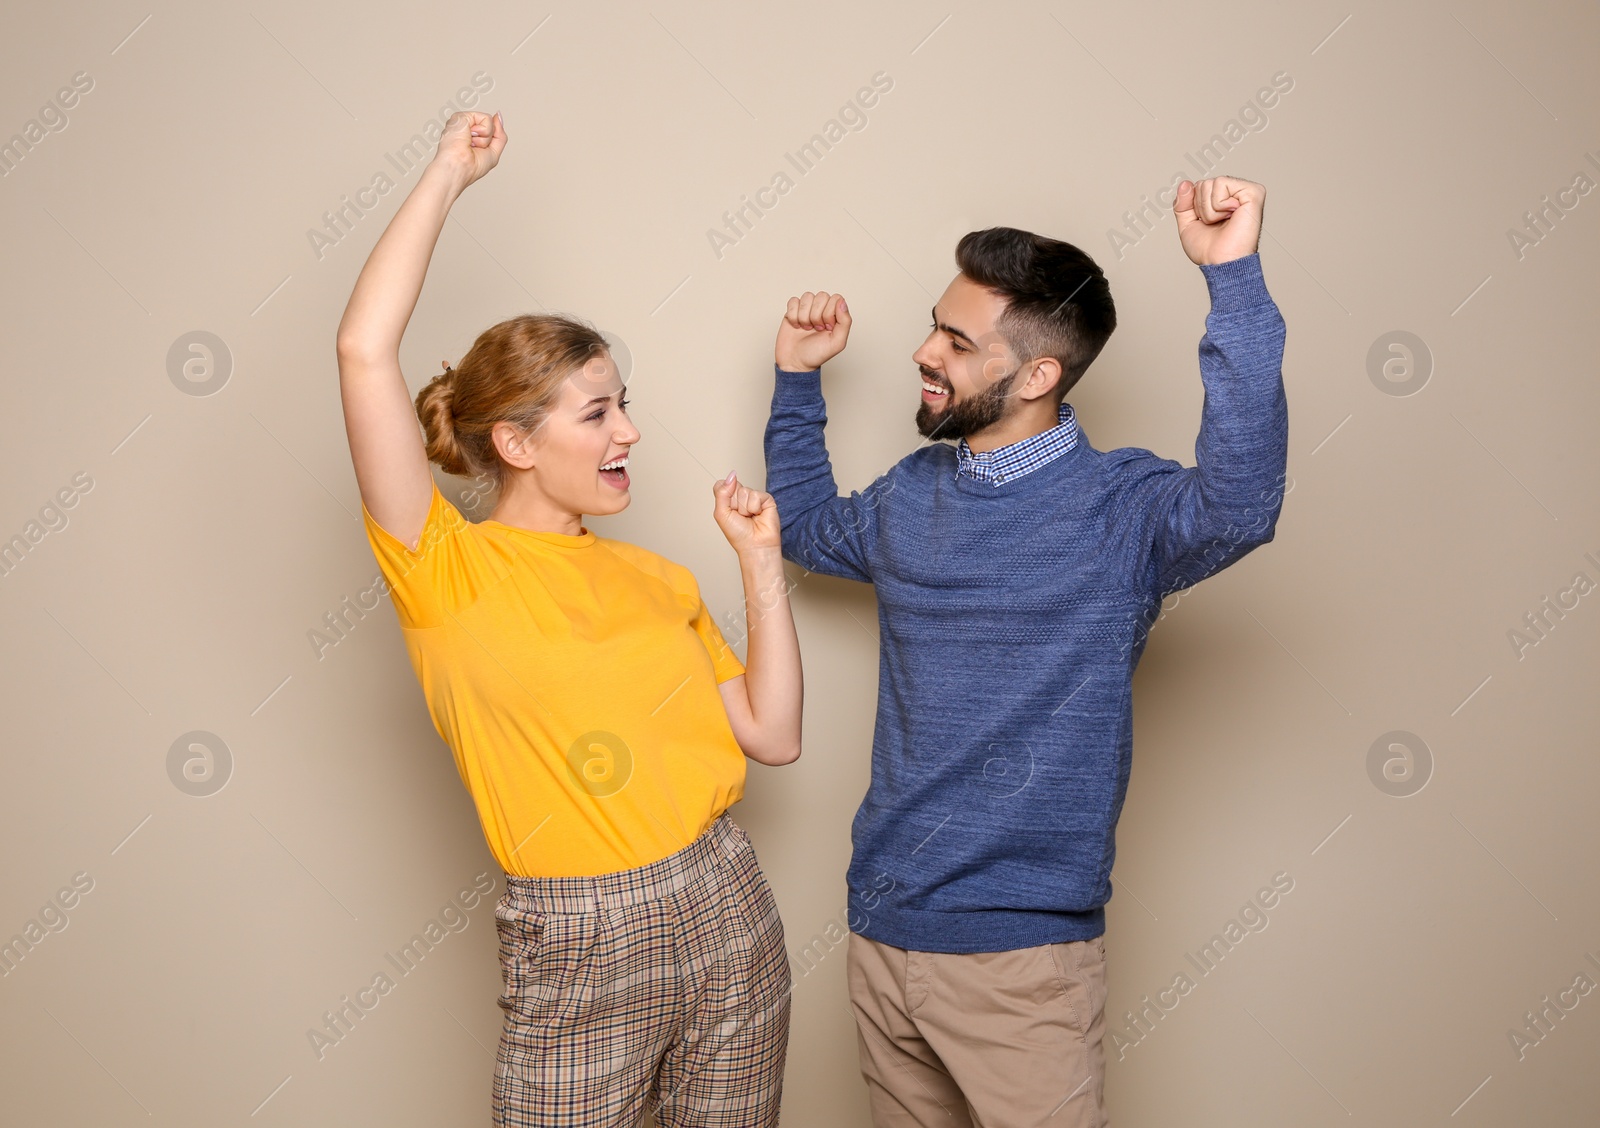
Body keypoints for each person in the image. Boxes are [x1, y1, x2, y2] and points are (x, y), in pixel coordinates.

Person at [762, 176, 1287, 1126]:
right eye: (935, 326)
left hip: (1021, 960)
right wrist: (798, 378)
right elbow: (800, 528)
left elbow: (1242, 504)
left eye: (956, 344)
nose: (923, 353)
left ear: (1038, 375)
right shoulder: (910, 494)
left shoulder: (1124, 512)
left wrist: (1233, 279)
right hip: (883, 932)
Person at [336, 108, 800, 1127]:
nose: (630, 429)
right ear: (513, 442)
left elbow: (774, 736)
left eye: (622, 402)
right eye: (597, 413)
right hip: (580, 932)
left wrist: (761, 565)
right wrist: (449, 173)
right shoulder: (443, 568)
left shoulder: (658, 578)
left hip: (728, 901)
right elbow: (363, 350)